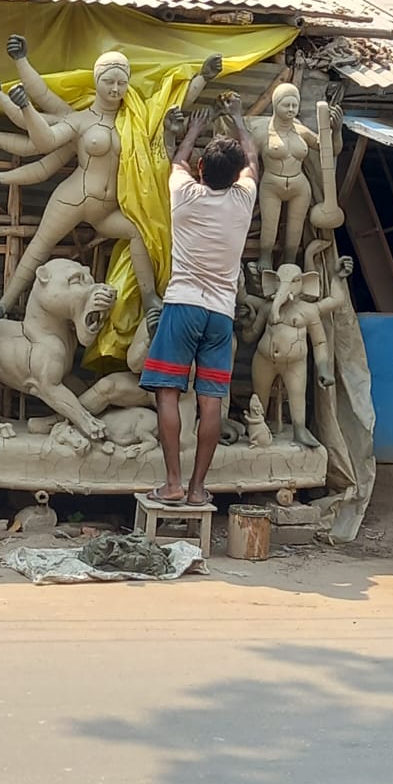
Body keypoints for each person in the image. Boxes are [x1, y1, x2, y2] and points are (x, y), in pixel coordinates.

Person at [139, 94, 258, 507]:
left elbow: (176, 161)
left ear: (202, 170)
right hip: (220, 315)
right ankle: (196, 489)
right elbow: (253, 160)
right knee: (211, 401)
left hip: (184, 305)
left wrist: (192, 129)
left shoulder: (185, 197)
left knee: (168, 393)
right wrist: (239, 119)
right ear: (238, 173)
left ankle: (171, 482)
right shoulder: (244, 201)